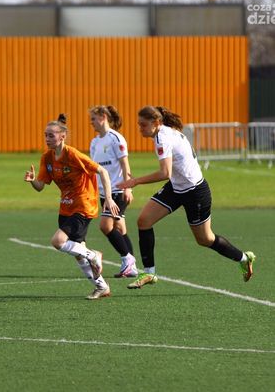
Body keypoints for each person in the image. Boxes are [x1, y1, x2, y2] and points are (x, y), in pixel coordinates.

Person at [117, 106, 256, 289]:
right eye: (138, 124)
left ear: (156, 123)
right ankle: (149, 273)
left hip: (195, 192)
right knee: (144, 221)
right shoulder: (164, 133)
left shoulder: (163, 138)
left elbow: (165, 173)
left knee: (205, 239)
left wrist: (135, 181)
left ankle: (244, 258)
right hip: (176, 188)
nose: (140, 128)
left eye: (143, 125)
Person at [24, 114, 120, 300]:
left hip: (84, 204)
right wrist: (32, 181)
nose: (47, 139)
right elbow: (40, 186)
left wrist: (108, 198)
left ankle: (94, 255)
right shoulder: (47, 158)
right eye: (45, 135)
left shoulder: (73, 155)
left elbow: (102, 171)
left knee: (58, 241)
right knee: (77, 253)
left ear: (62, 136)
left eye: (51, 135)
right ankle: (101, 286)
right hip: (66, 207)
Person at [89, 105, 138, 278]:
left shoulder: (116, 138)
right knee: (119, 227)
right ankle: (131, 267)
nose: (91, 123)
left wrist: (128, 187)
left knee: (105, 226)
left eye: (93, 119)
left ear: (103, 117)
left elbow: (125, 165)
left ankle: (127, 259)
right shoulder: (94, 142)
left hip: (118, 191)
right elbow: (95, 169)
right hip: (104, 193)